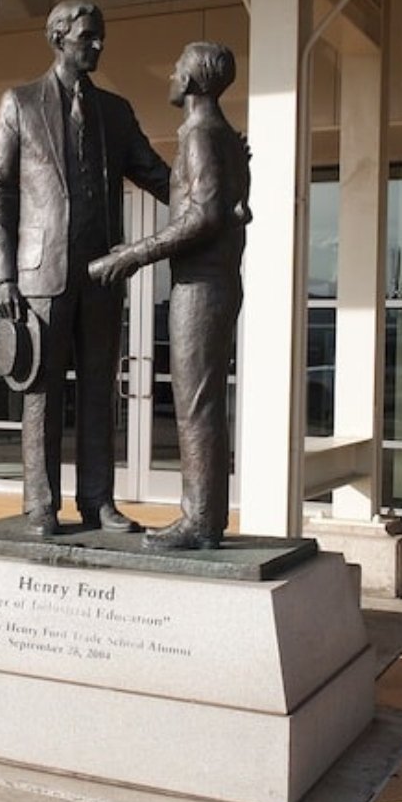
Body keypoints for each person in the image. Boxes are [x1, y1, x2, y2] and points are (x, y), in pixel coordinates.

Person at [0, 0, 170, 538]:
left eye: (100, 35)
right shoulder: (20, 103)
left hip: (102, 275)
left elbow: (156, 174)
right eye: (88, 35)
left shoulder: (115, 112)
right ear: (58, 38)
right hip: (40, 275)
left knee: (98, 391)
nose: (98, 44)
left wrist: (208, 192)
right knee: (41, 392)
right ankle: (41, 503)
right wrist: (4, 275)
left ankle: (98, 501)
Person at [89, 41, 250, 550]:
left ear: (194, 80)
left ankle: (198, 521)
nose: (170, 76)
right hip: (214, 282)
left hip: (201, 287)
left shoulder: (202, 135)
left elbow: (203, 217)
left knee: (195, 404)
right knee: (203, 403)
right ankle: (206, 520)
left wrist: (132, 255)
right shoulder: (220, 136)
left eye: (177, 68)